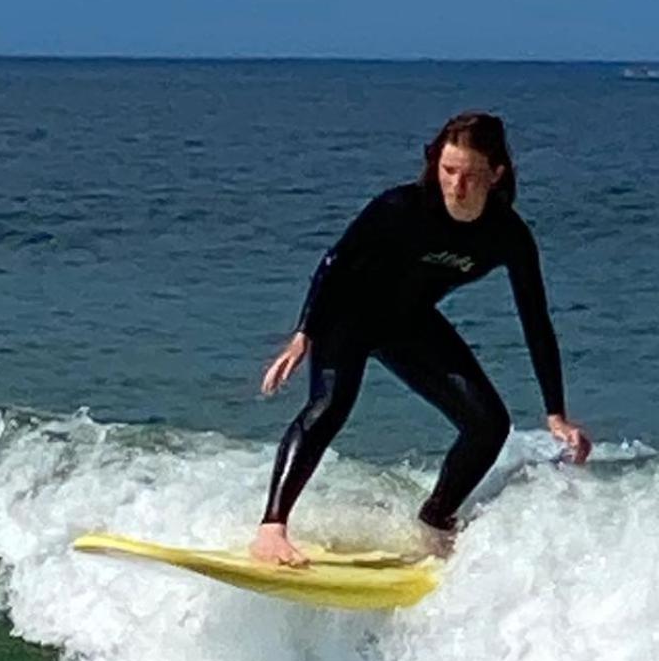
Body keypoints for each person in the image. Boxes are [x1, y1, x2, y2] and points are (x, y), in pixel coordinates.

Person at [251, 111, 591, 564]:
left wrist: (555, 413)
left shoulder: (508, 235)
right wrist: (304, 333)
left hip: (407, 322)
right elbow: (335, 263)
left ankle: (434, 520)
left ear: (496, 174)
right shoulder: (400, 207)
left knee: (489, 425)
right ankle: (272, 529)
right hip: (346, 313)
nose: (456, 186)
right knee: (330, 405)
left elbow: (535, 320)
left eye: (470, 175)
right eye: (448, 170)